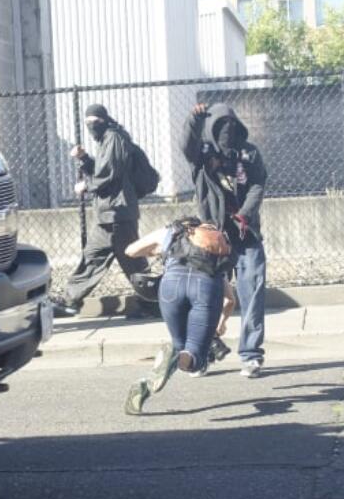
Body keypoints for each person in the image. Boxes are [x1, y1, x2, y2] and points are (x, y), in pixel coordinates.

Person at [183, 102, 268, 378]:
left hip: (246, 233)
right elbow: (187, 145)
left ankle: (251, 355)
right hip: (212, 236)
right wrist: (194, 120)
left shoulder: (248, 152)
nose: (226, 133)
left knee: (252, 289)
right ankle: (203, 354)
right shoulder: (202, 153)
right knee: (207, 297)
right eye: (220, 127)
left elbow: (257, 183)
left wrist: (245, 214)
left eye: (231, 127)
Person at [122, 218, 234, 414]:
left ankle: (147, 384)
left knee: (178, 344)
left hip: (170, 286)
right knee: (194, 358)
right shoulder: (213, 245)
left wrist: (158, 250)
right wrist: (222, 323)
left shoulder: (170, 234)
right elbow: (230, 300)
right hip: (205, 289)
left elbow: (130, 251)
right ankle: (173, 361)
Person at [51, 104, 153, 318]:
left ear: (104, 120)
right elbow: (103, 169)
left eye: (94, 121)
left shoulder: (114, 138)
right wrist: (85, 159)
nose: (90, 126)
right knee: (100, 258)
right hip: (112, 213)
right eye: (87, 122)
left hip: (117, 212)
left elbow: (110, 173)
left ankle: (154, 302)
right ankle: (71, 301)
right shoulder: (108, 139)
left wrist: (87, 186)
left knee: (127, 259)